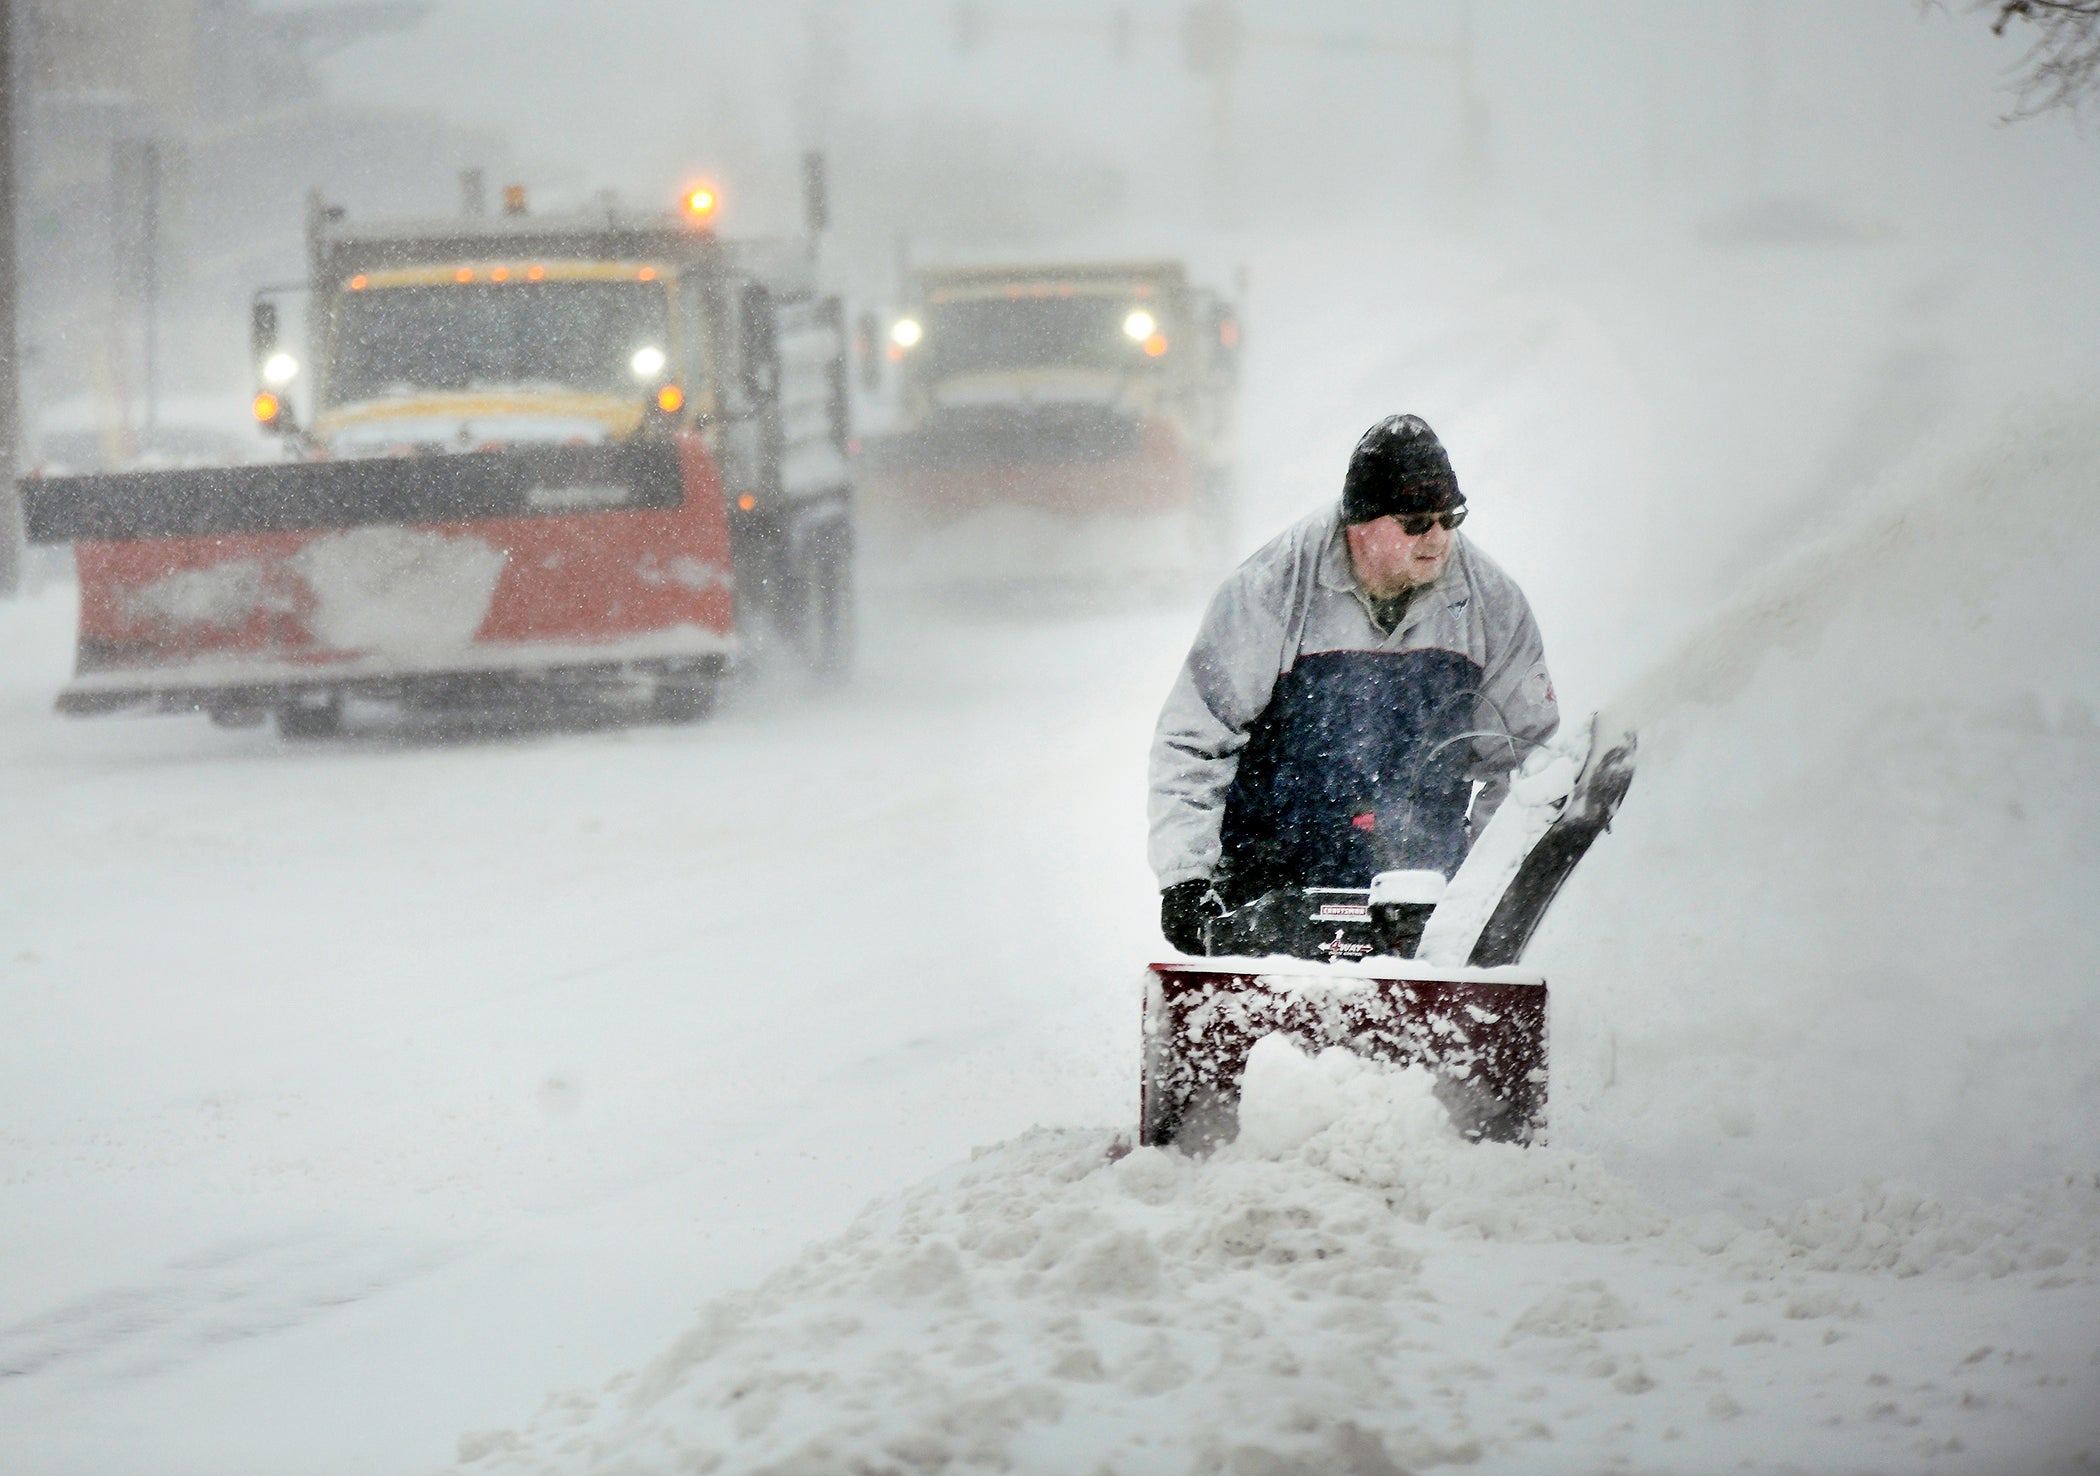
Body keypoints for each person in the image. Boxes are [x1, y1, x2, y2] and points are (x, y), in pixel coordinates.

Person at [1149, 414, 1559, 954]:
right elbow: (1195, 740)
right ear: (1360, 523)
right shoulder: (1270, 590)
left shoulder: (1492, 605)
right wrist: (1185, 879)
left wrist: (1487, 895)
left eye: (1449, 516)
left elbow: (1523, 761)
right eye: (1415, 522)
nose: (1437, 537)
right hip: (1271, 887)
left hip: (1418, 891)